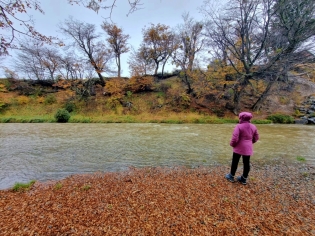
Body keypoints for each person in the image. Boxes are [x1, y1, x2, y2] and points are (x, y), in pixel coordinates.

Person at [225, 112, 259, 185]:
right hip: (248, 147)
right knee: (246, 163)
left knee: (235, 161)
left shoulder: (238, 126)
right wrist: (249, 142)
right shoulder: (253, 126)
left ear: (241, 118)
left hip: (238, 147)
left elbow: (235, 138)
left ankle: (231, 176)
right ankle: (244, 179)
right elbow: (256, 138)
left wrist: (232, 144)